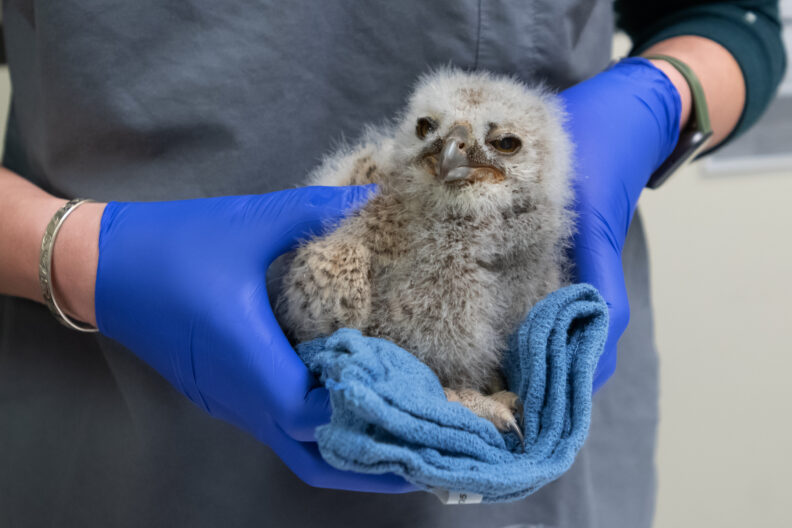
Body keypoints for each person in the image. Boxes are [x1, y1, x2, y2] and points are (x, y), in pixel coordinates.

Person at [0, 1, 785, 526]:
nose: (460, 158)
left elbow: (733, 20)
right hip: (118, 427)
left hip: (526, 474)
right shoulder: (363, 233)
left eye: (499, 144)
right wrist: (66, 250)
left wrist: (660, 96)